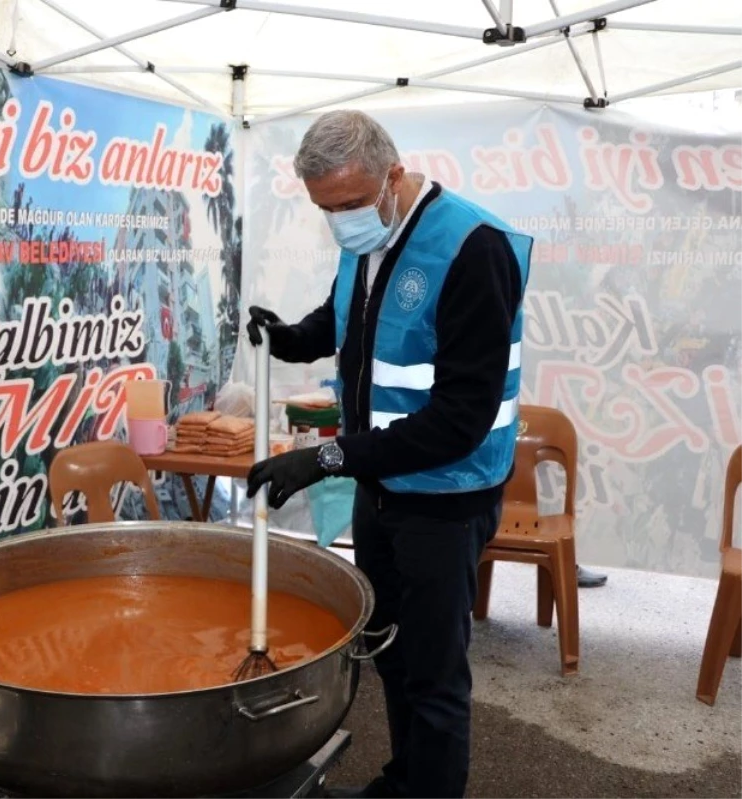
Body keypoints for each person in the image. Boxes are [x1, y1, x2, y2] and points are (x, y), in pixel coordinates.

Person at [246, 110, 530, 799]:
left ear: (392, 177)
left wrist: (325, 459)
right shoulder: (367, 232)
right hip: (382, 489)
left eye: (347, 203)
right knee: (394, 656)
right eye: (325, 209)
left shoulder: (473, 249)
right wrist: (289, 337)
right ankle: (405, 781)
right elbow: (347, 318)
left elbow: (459, 420)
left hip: (444, 496)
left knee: (434, 674)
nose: (339, 220)